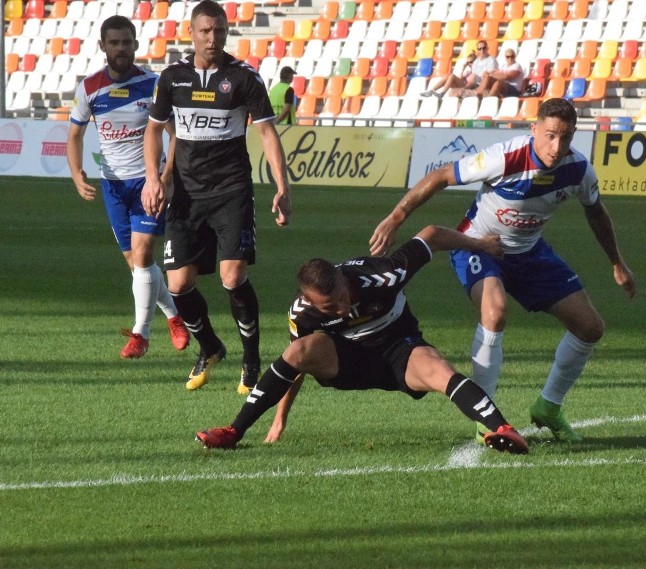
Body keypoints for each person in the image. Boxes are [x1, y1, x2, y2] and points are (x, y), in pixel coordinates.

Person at [369, 98, 637, 444]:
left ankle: (549, 407)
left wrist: (617, 261)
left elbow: (596, 211)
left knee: (590, 327)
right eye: (551, 135)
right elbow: (440, 176)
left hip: (529, 252)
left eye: (566, 137)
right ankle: (486, 418)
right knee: (494, 313)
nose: (557, 146)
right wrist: (395, 218)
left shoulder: (578, 170)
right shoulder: (505, 158)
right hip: (478, 245)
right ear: (535, 129)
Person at [195, 225, 529, 455]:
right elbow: (296, 366)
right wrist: (281, 417)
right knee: (299, 348)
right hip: (348, 360)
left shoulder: (382, 274)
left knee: (440, 370)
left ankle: (501, 429)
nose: (341, 308)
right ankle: (233, 431)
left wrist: (482, 245)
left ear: (341, 277)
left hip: (400, 349)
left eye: (341, 296)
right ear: (311, 301)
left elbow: (431, 236)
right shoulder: (303, 312)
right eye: (330, 307)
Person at [141, 0, 293, 394]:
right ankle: (210, 347)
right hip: (187, 195)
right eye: (206, 31)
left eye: (220, 30)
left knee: (232, 276)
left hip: (231, 191)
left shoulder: (244, 78)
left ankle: (251, 360)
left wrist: (282, 185)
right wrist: (153, 179)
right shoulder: (172, 77)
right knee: (178, 285)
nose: (213, 38)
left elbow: (267, 133)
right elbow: (154, 130)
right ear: (191, 33)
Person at [67, 15, 190, 360]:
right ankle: (175, 317)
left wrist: (164, 177)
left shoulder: (154, 84)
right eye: (115, 42)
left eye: (127, 42)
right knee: (138, 267)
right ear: (103, 46)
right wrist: (77, 173)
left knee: (144, 255)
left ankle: (141, 335)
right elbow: (74, 135)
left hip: (148, 183)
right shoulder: (89, 88)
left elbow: (174, 134)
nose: (122, 48)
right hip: (113, 186)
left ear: (136, 44)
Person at [421, 41, 497, 98]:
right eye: (479, 49)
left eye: (484, 48)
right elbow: (467, 78)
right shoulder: (474, 64)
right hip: (469, 84)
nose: (482, 50)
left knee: (452, 76)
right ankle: (432, 90)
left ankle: (441, 93)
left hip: (477, 85)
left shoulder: (491, 60)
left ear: (487, 48)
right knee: (450, 76)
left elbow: (486, 77)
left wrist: (465, 87)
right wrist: (464, 70)